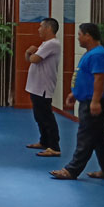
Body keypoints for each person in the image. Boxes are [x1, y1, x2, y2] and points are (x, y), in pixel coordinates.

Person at [50, 23, 104, 180]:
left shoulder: (98, 55)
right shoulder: (90, 53)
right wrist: (75, 93)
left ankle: (71, 170)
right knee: (99, 139)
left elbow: (99, 79)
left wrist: (95, 101)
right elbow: (86, 77)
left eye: (79, 34)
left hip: (94, 102)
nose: (78, 38)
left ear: (88, 36)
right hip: (88, 100)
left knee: (85, 137)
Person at [24, 17, 61, 157]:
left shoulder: (52, 44)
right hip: (36, 86)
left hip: (43, 87)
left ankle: (54, 146)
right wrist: (28, 53)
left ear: (48, 28)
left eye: (41, 26)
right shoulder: (45, 44)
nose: (38, 29)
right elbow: (29, 58)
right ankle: (44, 141)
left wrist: (30, 53)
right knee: (39, 116)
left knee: (46, 117)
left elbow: (34, 59)